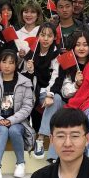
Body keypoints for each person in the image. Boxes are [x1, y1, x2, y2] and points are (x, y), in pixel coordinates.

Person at [0, 49, 35, 178]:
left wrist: (11, 120)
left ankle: (20, 163)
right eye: (4, 62)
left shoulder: (25, 82)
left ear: (16, 65)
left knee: (13, 130)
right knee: (3, 130)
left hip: (18, 122)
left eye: (11, 63)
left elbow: (27, 107)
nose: (7, 66)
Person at [42, 31, 89, 162]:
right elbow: (64, 92)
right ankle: (51, 154)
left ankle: (87, 157)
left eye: (85, 45)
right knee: (57, 101)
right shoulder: (69, 63)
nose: (81, 48)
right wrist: (76, 84)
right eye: (78, 45)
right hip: (71, 104)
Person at [23, 22, 60, 158]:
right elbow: (27, 79)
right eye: (42, 35)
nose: (45, 39)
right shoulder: (32, 53)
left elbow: (57, 77)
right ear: (38, 36)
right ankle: (27, 138)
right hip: (34, 90)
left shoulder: (57, 54)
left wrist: (50, 94)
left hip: (50, 89)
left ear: (54, 38)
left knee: (55, 99)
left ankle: (41, 138)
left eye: (49, 36)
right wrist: (30, 71)